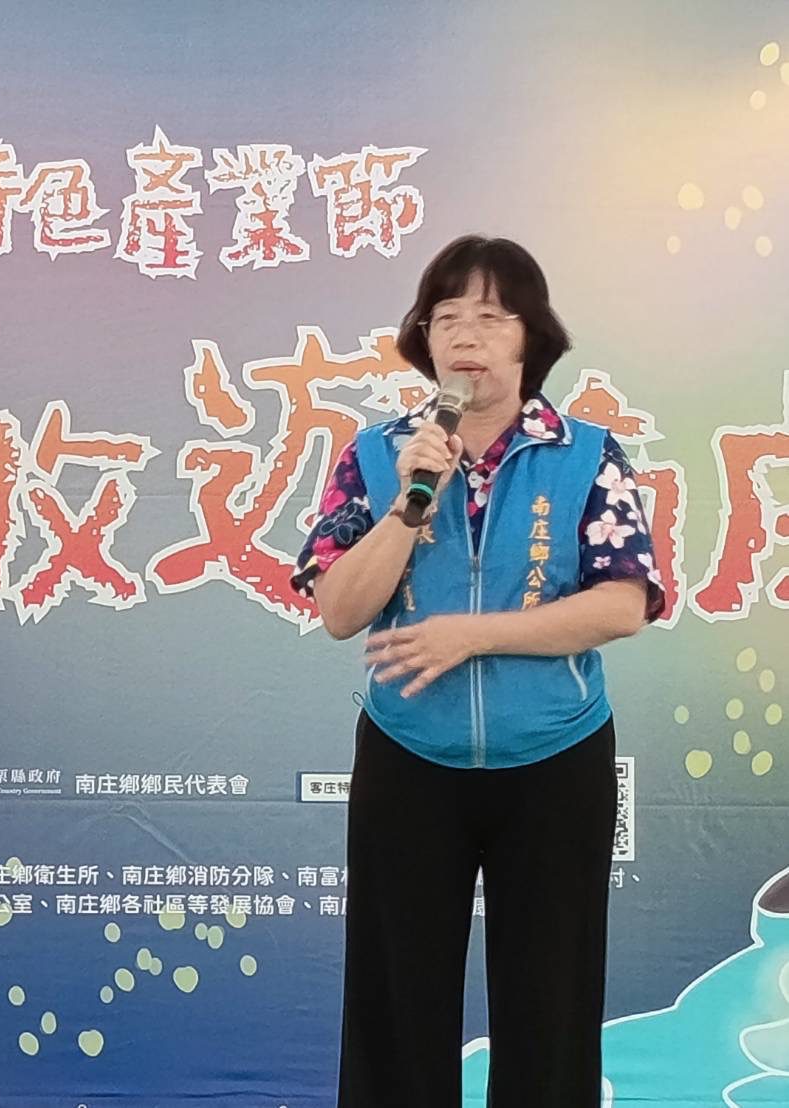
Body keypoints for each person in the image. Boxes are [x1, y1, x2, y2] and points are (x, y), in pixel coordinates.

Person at [291, 235, 665, 1107]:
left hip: (555, 756)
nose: (466, 334)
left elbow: (624, 603)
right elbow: (339, 609)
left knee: (549, 1007)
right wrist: (405, 506)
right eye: (446, 316)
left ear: (530, 338)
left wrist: (471, 635)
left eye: (492, 316)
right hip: (409, 754)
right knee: (395, 1004)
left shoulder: (586, 453)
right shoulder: (379, 453)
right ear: (424, 340)